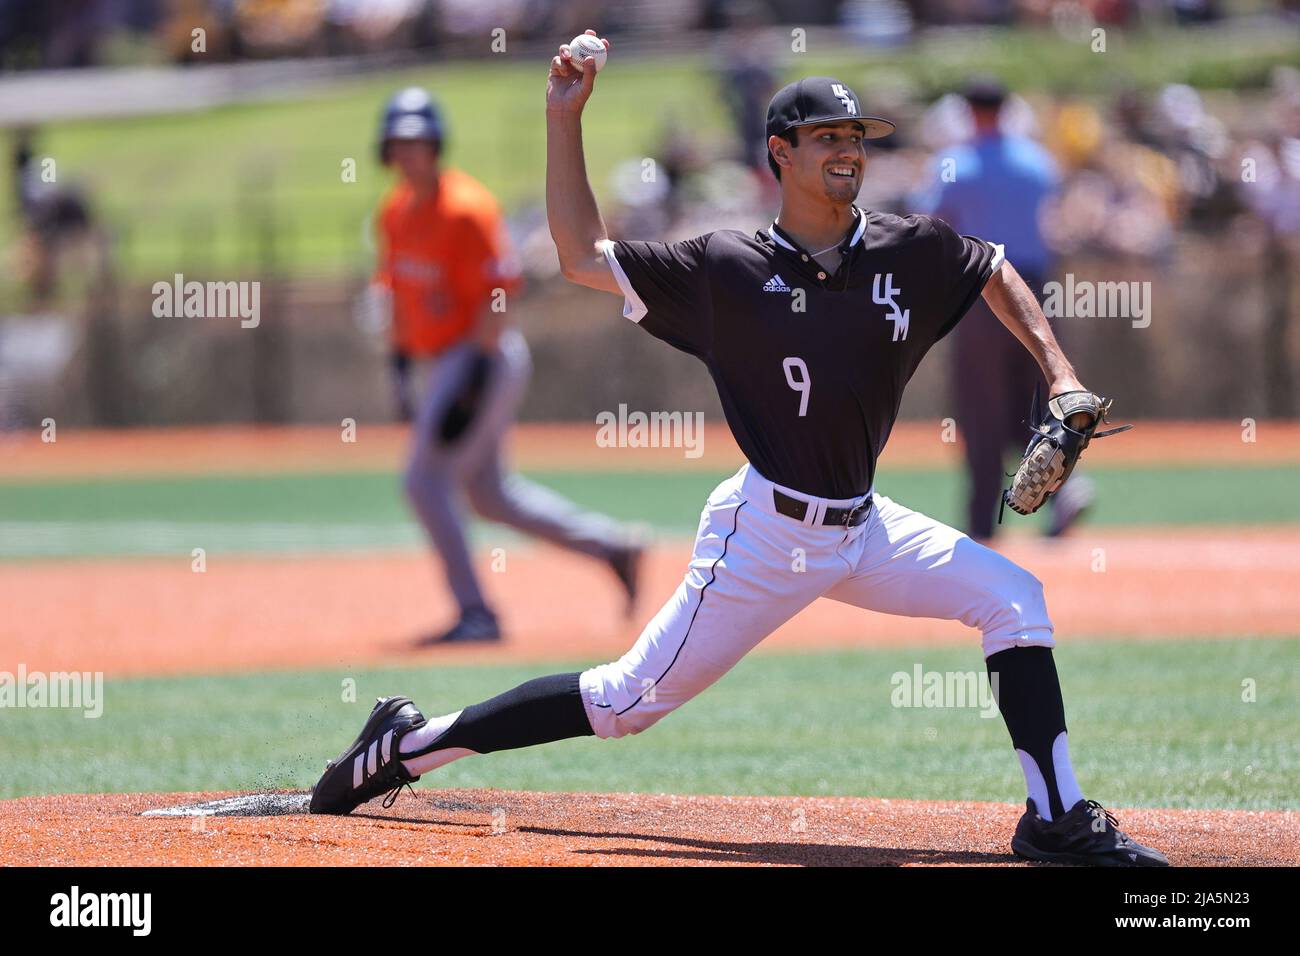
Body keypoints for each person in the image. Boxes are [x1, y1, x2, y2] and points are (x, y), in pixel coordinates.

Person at [309, 45, 1168, 867]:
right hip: (765, 533)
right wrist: (562, 114)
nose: (847, 151)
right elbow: (578, 255)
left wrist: (1059, 373)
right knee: (622, 704)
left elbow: (992, 267)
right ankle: (409, 745)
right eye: (827, 137)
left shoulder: (907, 250)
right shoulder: (726, 268)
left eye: (856, 137)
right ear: (779, 154)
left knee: (1014, 596)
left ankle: (1054, 818)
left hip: (864, 526)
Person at [372, 87, 643, 644]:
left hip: (481, 358)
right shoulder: (395, 213)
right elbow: (396, 298)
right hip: (438, 363)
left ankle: (478, 615)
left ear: (436, 145)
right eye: (398, 143)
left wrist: (469, 386)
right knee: (489, 496)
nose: (407, 153)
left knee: (424, 482)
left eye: (417, 142)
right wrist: (400, 371)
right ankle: (611, 545)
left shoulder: (466, 209)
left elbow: (499, 300)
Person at [916, 77, 1088, 541]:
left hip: (983, 290)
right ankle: (1063, 493)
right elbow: (1056, 220)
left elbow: (933, 226)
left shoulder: (957, 164)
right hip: (1038, 288)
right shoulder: (1037, 161)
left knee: (982, 407)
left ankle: (981, 521)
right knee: (1041, 398)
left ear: (969, 112)